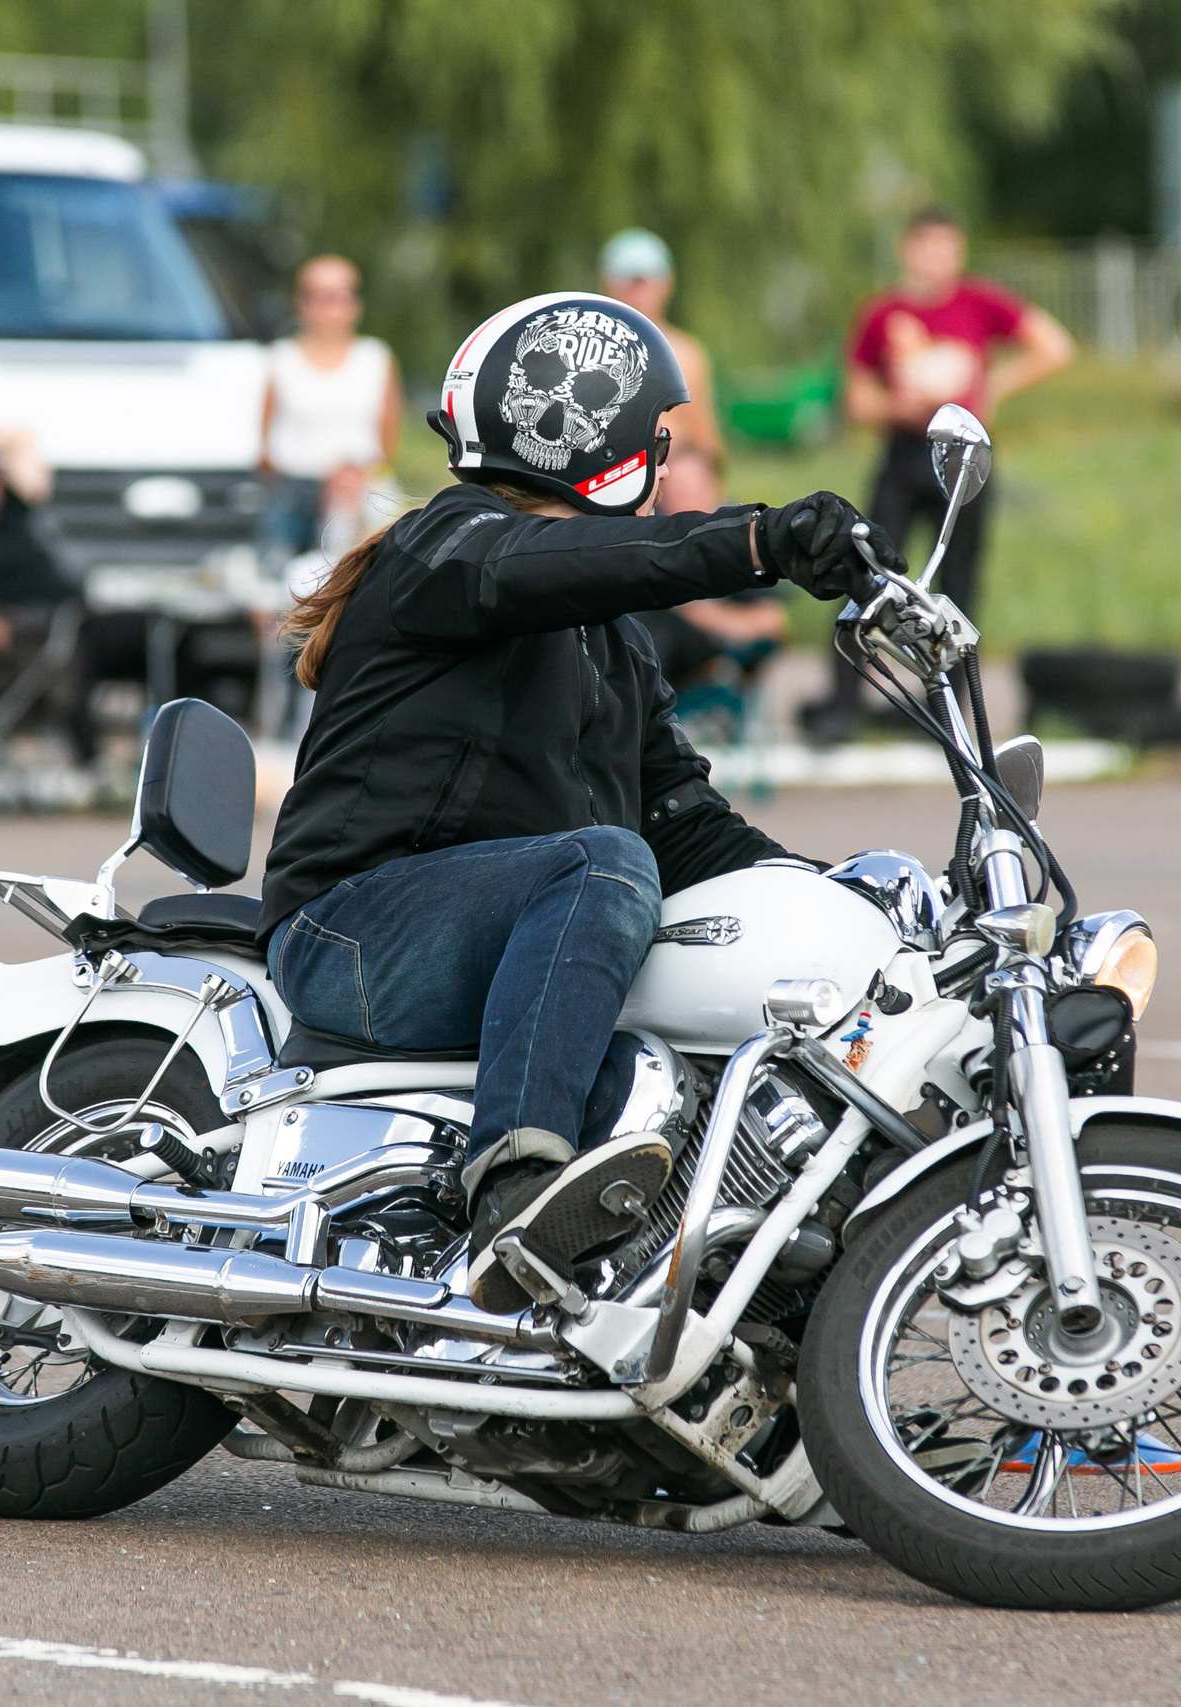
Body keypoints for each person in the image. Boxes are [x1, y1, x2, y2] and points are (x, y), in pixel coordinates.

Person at [263, 290, 903, 1314]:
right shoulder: (445, 551)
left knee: (692, 1012)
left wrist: (837, 900)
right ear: (592, 436)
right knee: (599, 861)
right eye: (657, 437)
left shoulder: (606, 636)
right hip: (352, 933)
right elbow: (553, 569)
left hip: (498, 940)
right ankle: (513, 1192)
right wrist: (758, 542)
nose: (662, 462)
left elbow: (685, 824)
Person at [799, 205, 1075, 745]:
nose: (935, 259)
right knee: (870, 574)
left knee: (959, 585)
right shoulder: (883, 314)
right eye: (926, 247)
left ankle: (949, 712)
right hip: (904, 455)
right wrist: (902, 407)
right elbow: (856, 400)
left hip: (963, 459)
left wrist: (991, 389)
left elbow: (1053, 346)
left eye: (945, 248)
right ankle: (843, 703)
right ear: (908, 250)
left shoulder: (980, 302)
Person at [598, 227, 789, 690]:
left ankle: (713, 654)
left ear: (664, 283)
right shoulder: (598, 351)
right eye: (629, 280)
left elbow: (704, 434)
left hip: (677, 483)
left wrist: (704, 484)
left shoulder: (685, 351)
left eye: (645, 280)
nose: (638, 291)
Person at [0, 430, 143, 768]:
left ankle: (176, 752)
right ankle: (91, 763)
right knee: (70, 650)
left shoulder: (14, 511)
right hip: (29, 634)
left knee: (163, 633)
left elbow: (24, 445)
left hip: (79, 614)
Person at [260, 254, 404, 557]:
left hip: (357, 492)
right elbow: (266, 439)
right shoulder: (281, 358)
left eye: (342, 297)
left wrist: (357, 479)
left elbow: (388, 438)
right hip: (294, 491)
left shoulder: (375, 357)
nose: (333, 309)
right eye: (323, 298)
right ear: (303, 302)